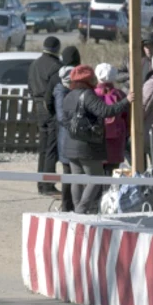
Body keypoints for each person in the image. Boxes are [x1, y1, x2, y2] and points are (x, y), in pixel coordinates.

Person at [62, 65, 134, 214]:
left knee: (77, 178)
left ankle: (77, 209)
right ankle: (82, 209)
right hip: (87, 145)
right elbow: (106, 111)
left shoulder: (69, 95)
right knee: (97, 177)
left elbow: (63, 118)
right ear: (88, 80)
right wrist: (126, 101)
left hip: (70, 143)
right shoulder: (87, 95)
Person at [27, 36, 63, 196]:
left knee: (43, 147)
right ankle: (48, 184)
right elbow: (55, 90)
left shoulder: (34, 64)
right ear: (57, 49)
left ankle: (40, 183)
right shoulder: (56, 66)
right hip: (50, 107)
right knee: (51, 148)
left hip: (37, 106)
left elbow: (29, 86)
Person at [94, 63, 129, 175]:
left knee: (96, 175)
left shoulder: (91, 94)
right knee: (113, 173)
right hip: (116, 140)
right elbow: (127, 118)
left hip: (96, 139)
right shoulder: (120, 95)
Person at [53, 65, 75, 211]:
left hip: (69, 138)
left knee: (74, 174)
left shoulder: (66, 91)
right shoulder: (62, 92)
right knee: (68, 174)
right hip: (67, 139)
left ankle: (70, 205)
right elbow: (62, 117)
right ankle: (66, 206)